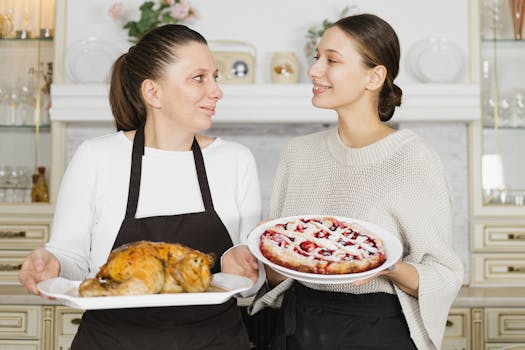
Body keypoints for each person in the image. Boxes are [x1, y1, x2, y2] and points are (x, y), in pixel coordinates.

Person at [18, 24, 262, 350]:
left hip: (215, 340)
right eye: (199, 78)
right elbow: (71, 256)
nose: (216, 91)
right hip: (112, 341)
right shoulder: (96, 157)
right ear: (153, 93)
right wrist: (53, 264)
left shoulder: (235, 160)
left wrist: (245, 264)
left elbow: (246, 283)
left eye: (215, 77)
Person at [251, 14, 464, 350]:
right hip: (295, 329)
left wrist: (390, 268)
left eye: (332, 60)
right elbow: (279, 278)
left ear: (374, 76)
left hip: (375, 332)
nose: (314, 70)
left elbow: (442, 272)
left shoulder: (412, 158)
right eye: (317, 57)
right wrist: (269, 250)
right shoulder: (298, 153)